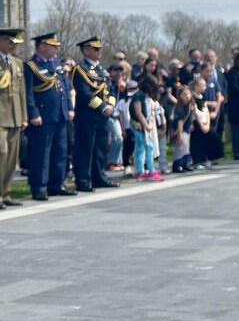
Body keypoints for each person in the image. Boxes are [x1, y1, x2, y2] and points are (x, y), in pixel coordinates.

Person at [24, 32, 72, 200]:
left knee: (60, 151)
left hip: (60, 113)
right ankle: (39, 187)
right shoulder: (31, 66)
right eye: (53, 46)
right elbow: (28, 93)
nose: (56, 49)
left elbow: (65, 87)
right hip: (43, 115)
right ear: (42, 46)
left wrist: (69, 108)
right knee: (41, 154)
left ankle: (56, 184)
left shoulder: (56, 63)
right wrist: (33, 113)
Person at [71, 36, 120, 192]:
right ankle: (83, 180)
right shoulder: (80, 69)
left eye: (100, 49)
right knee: (85, 149)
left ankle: (99, 177)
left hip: (103, 116)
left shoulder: (101, 70)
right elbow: (85, 93)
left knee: (100, 148)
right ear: (86, 51)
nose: (99, 51)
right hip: (87, 116)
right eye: (96, 49)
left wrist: (110, 105)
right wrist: (102, 107)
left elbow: (110, 90)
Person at [0, 28, 27, 208]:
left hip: (15, 116)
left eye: (15, 43)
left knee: (11, 157)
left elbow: (21, 93)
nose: (13, 46)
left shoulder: (17, 62)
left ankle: (5, 192)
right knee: (1, 153)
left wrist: (24, 116)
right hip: (0, 116)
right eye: (9, 42)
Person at [129, 76, 162, 182]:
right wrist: (146, 125)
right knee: (149, 146)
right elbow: (138, 112)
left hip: (141, 125)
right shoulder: (138, 96)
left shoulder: (144, 96)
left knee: (140, 148)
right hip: (138, 125)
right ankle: (151, 170)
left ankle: (140, 171)